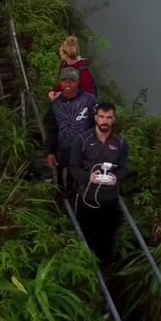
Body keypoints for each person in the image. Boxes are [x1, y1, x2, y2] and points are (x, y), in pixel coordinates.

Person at [70, 102, 128, 266]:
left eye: (109, 117)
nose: (105, 121)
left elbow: (124, 168)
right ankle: (85, 267)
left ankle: (104, 268)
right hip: (86, 197)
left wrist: (117, 178)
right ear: (95, 117)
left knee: (107, 237)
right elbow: (73, 167)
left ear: (113, 119)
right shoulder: (82, 140)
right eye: (102, 117)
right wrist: (88, 177)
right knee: (85, 234)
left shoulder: (121, 143)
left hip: (110, 200)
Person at [44, 66, 97, 187]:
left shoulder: (89, 101)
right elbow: (51, 129)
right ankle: (62, 193)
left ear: (78, 82)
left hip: (82, 153)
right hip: (61, 151)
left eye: (72, 81)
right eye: (64, 80)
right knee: (61, 179)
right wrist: (49, 152)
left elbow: (96, 126)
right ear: (60, 82)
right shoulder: (56, 104)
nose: (68, 84)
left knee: (77, 181)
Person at [47, 36, 96, 100]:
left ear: (65, 55)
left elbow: (88, 95)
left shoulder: (83, 71)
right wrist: (54, 92)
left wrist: (64, 95)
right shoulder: (66, 67)